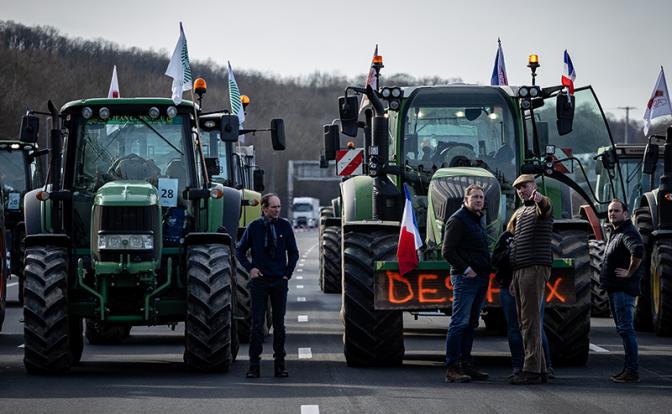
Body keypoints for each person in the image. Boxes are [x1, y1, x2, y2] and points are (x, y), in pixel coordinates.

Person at [236, 193, 299, 378]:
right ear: (264, 208)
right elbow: (239, 250)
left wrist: (288, 273)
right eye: (274, 207)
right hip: (260, 282)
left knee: (279, 325)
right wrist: (250, 268)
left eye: (279, 206)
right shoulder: (254, 227)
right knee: (257, 325)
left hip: (279, 281)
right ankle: (254, 366)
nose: (277, 210)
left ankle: (280, 365)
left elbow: (293, 253)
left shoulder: (284, 226)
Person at [441, 184, 491, 383]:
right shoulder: (458, 220)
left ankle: (466, 364)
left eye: (481, 197)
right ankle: (452, 368)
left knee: (471, 323)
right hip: (465, 279)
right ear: (466, 200)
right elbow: (448, 251)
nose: (479, 200)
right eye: (475, 197)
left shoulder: (477, 219)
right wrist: (466, 269)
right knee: (459, 322)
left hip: (480, 279)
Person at [492, 222, 554, 381]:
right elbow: (496, 259)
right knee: (514, 328)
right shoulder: (506, 238)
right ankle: (518, 366)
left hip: (532, 287)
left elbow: (547, 259)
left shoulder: (537, 239)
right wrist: (512, 252)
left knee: (536, 327)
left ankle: (545, 366)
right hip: (508, 288)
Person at [508, 174, 553, 385]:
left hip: (533, 267)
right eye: (518, 188)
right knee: (526, 320)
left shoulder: (539, 205)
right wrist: (513, 276)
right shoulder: (521, 211)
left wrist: (539, 199)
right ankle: (541, 369)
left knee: (530, 321)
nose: (521, 190)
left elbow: (545, 207)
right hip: (521, 269)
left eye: (524, 186)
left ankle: (532, 370)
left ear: (533, 186)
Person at [600, 198, 643, 383]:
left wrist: (629, 272)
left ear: (625, 214)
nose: (612, 214)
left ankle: (632, 371)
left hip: (623, 291)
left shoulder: (627, 232)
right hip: (616, 289)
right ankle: (628, 368)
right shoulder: (616, 232)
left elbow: (638, 251)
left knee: (626, 330)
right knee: (624, 330)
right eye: (610, 211)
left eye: (616, 211)